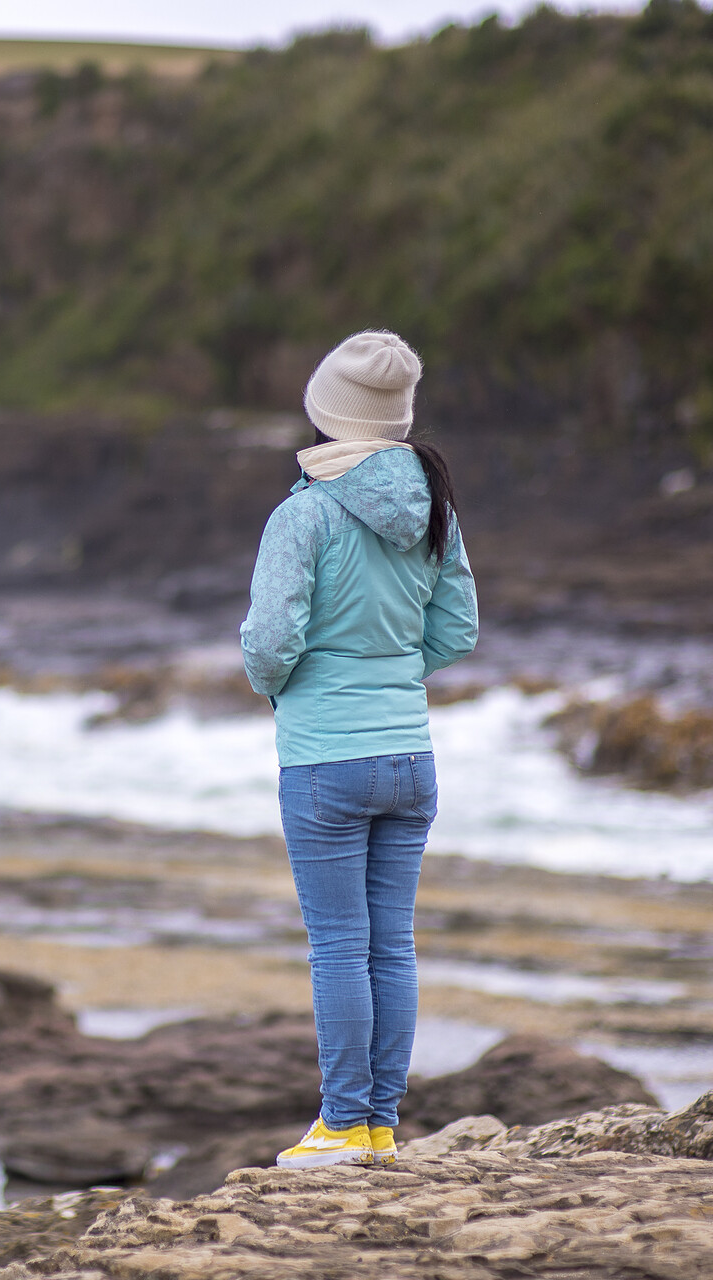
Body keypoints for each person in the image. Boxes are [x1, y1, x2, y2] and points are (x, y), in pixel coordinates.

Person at [240, 329, 478, 1169]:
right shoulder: (433, 506)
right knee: (391, 945)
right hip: (411, 760)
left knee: (340, 946)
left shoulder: (302, 514)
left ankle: (342, 1125)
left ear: (326, 415)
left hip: (325, 760)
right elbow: (457, 631)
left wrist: (290, 686)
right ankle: (377, 1125)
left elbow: (269, 643)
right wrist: (385, 673)